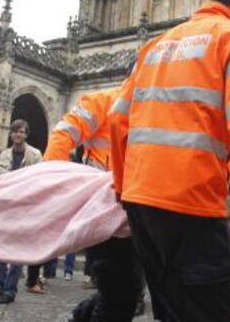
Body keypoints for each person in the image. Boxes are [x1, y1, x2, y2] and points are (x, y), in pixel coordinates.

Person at [110, 0, 230, 322]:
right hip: (192, 205)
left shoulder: (155, 46)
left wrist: (123, 186)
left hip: (142, 203)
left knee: (170, 310)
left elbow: (117, 120)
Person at [44, 86, 144, 322]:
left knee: (123, 289)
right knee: (119, 290)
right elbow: (63, 135)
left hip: (135, 208)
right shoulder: (102, 101)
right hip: (104, 206)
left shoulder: (153, 106)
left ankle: (79, 317)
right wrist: (56, 184)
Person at [0, 119, 41, 304]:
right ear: (11, 134)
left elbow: (39, 182)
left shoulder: (35, 155)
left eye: (22, 132)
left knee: (17, 249)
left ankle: (10, 290)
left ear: (26, 135)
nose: (19, 134)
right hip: (4, 207)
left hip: (23, 208)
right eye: (16, 131)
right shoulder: (3, 155)